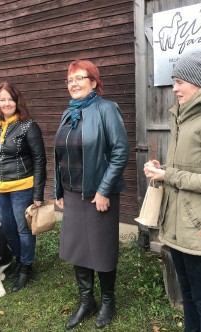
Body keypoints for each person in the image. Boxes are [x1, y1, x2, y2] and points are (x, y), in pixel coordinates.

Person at [144, 51, 201, 331]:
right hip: (179, 225)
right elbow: (186, 168)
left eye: (179, 81)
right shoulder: (185, 118)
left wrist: (169, 174)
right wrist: (162, 170)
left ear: (197, 82)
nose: (174, 89)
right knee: (188, 297)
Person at [54, 59, 129, 329]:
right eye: (70, 80)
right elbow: (60, 156)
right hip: (73, 194)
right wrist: (58, 190)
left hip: (99, 194)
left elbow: (120, 152)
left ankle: (108, 301)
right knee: (77, 249)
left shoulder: (107, 109)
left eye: (80, 78)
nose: (74, 84)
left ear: (94, 82)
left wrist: (105, 189)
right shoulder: (68, 113)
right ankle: (87, 301)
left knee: (102, 248)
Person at [0, 82, 46, 292]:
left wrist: (38, 192)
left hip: (22, 186)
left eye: (10, 99)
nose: (7, 103)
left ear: (17, 101)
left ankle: (27, 267)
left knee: (24, 229)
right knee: (8, 229)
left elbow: (39, 159)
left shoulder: (28, 125)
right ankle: (21, 260)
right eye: (2, 99)